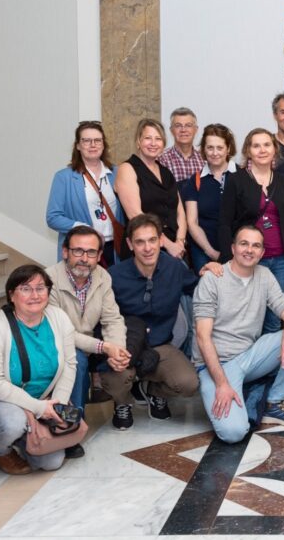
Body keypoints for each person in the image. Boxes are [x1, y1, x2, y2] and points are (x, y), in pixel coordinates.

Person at [193, 226, 284, 443]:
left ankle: (273, 402)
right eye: (244, 244)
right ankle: (238, 390)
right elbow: (203, 338)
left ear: (262, 253)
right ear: (233, 248)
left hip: (250, 356)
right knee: (233, 433)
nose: (249, 250)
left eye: (256, 245)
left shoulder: (264, 275)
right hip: (216, 366)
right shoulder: (212, 279)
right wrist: (222, 384)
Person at [0, 265, 77, 474]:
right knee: (13, 423)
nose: (35, 295)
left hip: (42, 399)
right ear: (11, 295)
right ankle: (2, 451)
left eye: (40, 288)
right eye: (25, 289)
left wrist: (57, 404)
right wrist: (37, 407)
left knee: (51, 462)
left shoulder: (59, 318)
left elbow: (70, 364)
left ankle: (24, 437)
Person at [110, 214, 219, 420]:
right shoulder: (114, 276)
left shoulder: (174, 268)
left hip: (160, 346)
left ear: (161, 240)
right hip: (126, 345)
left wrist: (209, 271)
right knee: (115, 379)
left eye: (152, 240)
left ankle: (153, 391)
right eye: (140, 242)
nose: (147, 248)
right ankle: (122, 402)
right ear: (130, 244)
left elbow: (198, 287)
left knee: (188, 383)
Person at [45, 226, 134, 436]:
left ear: (99, 256)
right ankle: (73, 428)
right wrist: (104, 347)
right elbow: (62, 332)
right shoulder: (48, 280)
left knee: (125, 352)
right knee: (77, 359)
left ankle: (75, 423)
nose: (84, 258)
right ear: (65, 252)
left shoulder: (103, 277)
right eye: (78, 251)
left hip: (90, 345)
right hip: (56, 346)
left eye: (91, 252)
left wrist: (117, 351)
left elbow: (112, 319)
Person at [218, 128, 284, 333]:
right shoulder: (236, 180)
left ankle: (270, 354)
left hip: (280, 260)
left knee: (274, 318)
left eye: (267, 145)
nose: (262, 150)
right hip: (248, 259)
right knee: (248, 316)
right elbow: (224, 222)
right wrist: (228, 259)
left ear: (275, 149)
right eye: (256, 146)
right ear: (248, 151)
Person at [46, 120, 125, 265]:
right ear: (78, 145)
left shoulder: (117, 172)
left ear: (103, 144)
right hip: (83, 250)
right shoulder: (64, 177)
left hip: (115, 249)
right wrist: (83, 228)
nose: (93, 145)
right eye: (86, 140)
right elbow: (53, 217)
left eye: (97, 140)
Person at [115, 118, 187, 260]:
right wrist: (167, 244)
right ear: (138, 141)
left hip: (175, 249)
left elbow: (180, 212)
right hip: (144, 248)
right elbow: (135, 215)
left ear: (163, 143)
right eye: (148, 138)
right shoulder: (127, 169)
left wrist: (180, 241)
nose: (153, 143)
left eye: (158, 139)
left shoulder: (166, 172)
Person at [181, 123, 236, 271]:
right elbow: (192, 222)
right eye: (210, 147)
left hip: (238, 251)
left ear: (228, 149)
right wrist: (211, 252)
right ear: (204, 150)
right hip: (204, 251)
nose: (215, 153)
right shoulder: (195, 181)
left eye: (220, 147)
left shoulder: (242, 176)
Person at [158, 107, 205, 183]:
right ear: (171, 130)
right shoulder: (161, 160)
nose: (183, 130)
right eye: (178, 126)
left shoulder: (204, 160)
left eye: (188, 125)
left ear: (196, 130)